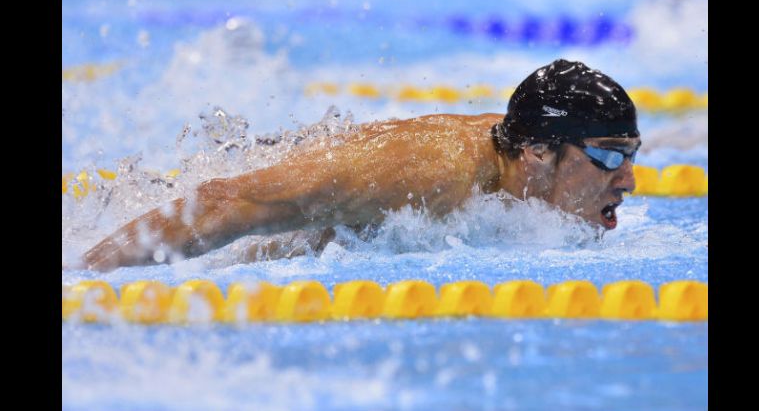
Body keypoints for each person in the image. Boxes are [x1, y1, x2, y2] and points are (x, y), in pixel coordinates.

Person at [82, 59, 641, 271]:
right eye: (610, 157)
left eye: (632, 156)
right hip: (269, 205)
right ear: (538, 153)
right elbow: (230, 201)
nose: (628, 181)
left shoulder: (529, 154)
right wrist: (86, 274)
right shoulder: (431, 174)